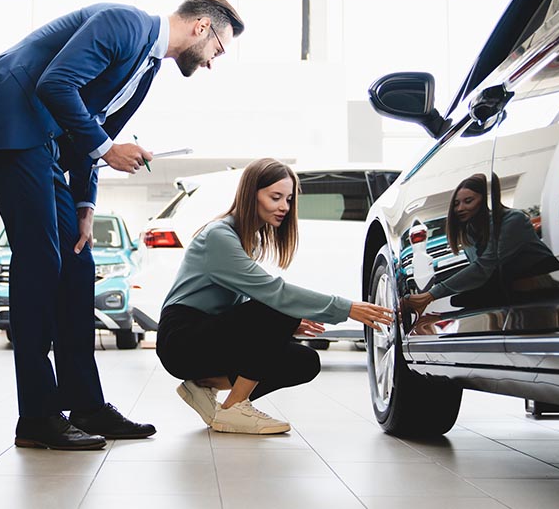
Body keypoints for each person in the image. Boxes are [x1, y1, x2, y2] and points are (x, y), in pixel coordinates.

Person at [0, 0, 245, 450]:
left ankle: (85, 403)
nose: (213, 62)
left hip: (43, 138)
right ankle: (36, 416)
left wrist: (85, 207)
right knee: (41, 262)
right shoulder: (124, 24)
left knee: (77, 263)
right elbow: (55, 84)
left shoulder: (146, 68)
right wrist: (107, 150)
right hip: (11, 115)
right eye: (219, 50)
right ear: (201, 27)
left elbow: (92, 128)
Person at [156, 158, 394, 434]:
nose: (284, 206)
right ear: (251, 194)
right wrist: (346, 308)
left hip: (208, 333)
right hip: (182, 338)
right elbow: (273, 293)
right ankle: (234, 407)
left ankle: (202, 386)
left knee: (304, 362)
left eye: (289, 199)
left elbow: (245, 300)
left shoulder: (249, 238)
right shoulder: (219, 236)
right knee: (277, 306)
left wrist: (288, 322)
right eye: (275, 197)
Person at [404, 173, 559, 313]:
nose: (460, 208)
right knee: (456, 302)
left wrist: (432, 294)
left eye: (468, 201)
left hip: (544, 288)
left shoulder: (513, 220)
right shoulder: (469, 232)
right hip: (513, 293)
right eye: (456, 203)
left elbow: (485, 266)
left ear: (485, 200)